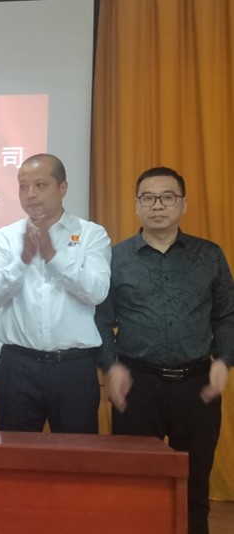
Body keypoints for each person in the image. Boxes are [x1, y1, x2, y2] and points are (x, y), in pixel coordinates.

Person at [96, 167, 233, 534]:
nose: (157, 205)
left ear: (183, 204)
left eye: (167, 197)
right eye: (148, 198)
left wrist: (224, 360)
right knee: (136, 486)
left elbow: (226, 315)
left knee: (195, 486)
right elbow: (100, 320)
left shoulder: (209, 255)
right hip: (137, 386)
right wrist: (111, 366)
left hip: (197, 386)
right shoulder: (116, 258)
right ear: (137, 205)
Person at [0, 154, 110, 434]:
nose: (30, 194)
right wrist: (22, 261)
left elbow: (97, 292)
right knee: (16, 453)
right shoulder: (5, 237)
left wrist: (52, 256)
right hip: (18, 365)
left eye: (40, 185)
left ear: (62, 188)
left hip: (73, 367)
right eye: (23, 186)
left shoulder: (91, 234)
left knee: (77, 453)